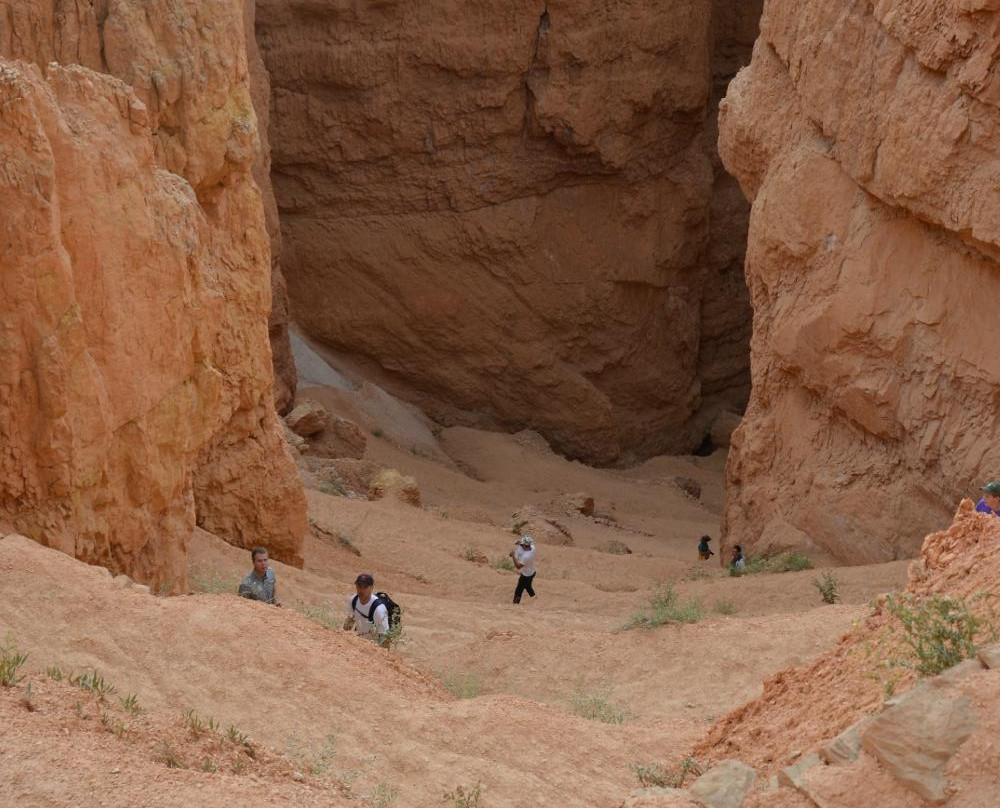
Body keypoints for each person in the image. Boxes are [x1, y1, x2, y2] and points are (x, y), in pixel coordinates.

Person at [343, 573, 390, 644]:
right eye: (359, 586)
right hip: (360, 644)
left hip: (374, 647)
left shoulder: (378, 609)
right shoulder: (353, 600)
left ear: (371, 588)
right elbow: (349, 623)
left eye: (364, 587)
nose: (361, 590)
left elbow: (385, 638)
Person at [510, 535, 537, 604]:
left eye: (522, 545)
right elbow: (527, 542)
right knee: (527, 586)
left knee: (519, 589)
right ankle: (534, 597)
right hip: (532, 572)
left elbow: (518, 567)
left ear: (525, 546)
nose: (521, 546)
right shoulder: (532, 547)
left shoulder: (526, 556)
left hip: (526, 575)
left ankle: (515, 604)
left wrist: (513, 556)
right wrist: (519, 542)